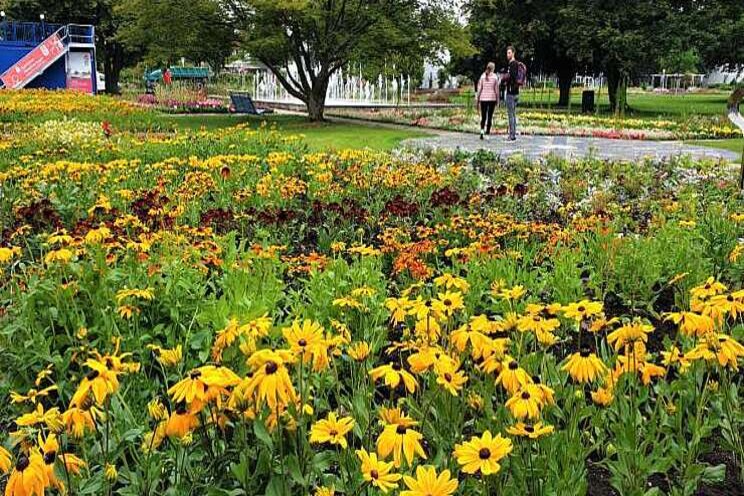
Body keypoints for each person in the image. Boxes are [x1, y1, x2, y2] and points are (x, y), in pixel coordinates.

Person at [476, 62, 499, 140]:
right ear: (493, 68)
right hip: (492, 98)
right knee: (490, 116)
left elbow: (479, 89)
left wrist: (477, 99)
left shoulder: (482, 76)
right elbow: (496, 90)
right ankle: (488, 131)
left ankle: (482, 131)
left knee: (483, 116)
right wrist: (498, 99)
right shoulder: (495, 77)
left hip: (483, 99)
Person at [502, 46, 520, 141]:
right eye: (507, 53)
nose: (507, 55)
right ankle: (513, 133)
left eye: (509, 53)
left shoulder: (513, 64)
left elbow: (511, 77)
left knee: (511, 114)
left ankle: (512, 135)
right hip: (516, 92)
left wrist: (504, 78)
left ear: (513, 53)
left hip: (511, 93)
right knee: (513, 114)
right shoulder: (516, 64)